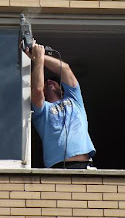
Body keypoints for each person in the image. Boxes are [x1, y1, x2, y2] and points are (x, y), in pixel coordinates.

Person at [24, 41, 96, 169]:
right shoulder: (42, 111)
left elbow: (65, 69)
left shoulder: (74, 99)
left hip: (84, 165)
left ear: (62, 90)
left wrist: (37, 57)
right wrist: (38, 60)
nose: (49, 81)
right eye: (45, 81)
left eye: (54, 80)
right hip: (57, 168)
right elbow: (37, 90)